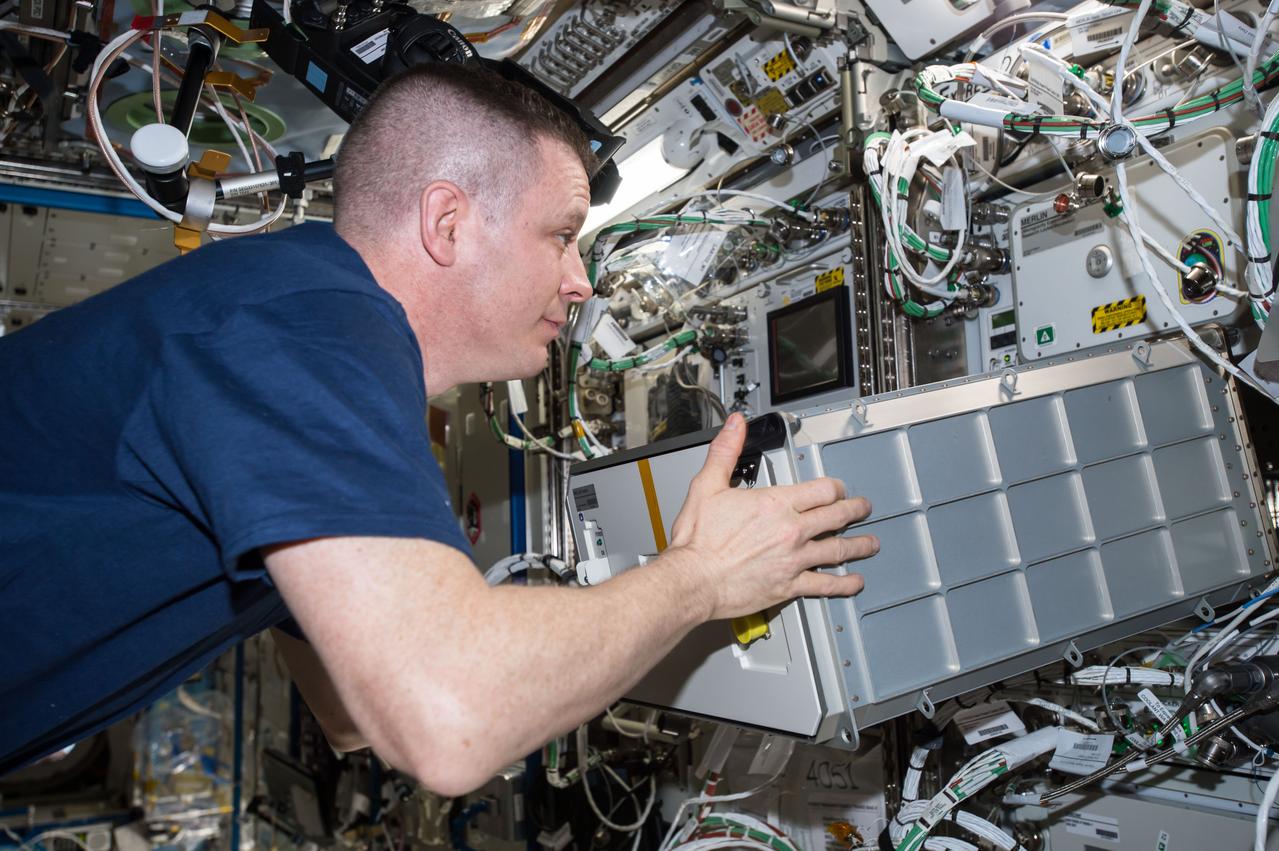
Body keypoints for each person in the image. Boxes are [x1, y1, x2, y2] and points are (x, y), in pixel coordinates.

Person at [0, 61, 878, 788]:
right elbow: (448, 719)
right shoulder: (305, 330)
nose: (579, 282)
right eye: (562, 234)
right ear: (448, 222)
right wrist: (702, 577)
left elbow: (351, 720)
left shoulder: (294, 326)